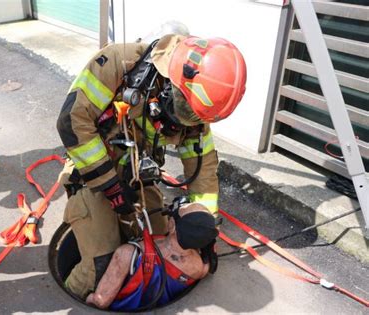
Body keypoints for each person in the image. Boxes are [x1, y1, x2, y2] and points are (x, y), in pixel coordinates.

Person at [56, 33, 246, 299]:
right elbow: (72, 122)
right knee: (101, 266)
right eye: (184, 109)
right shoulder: (117, 64)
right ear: (170, 79)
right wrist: (110, 187)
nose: (187, 121)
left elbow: (202, 174)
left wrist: (206, 232)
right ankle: (73, 295)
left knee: (163, 249)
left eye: (195, 117)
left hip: (138, 181)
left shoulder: (195, 113)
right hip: (93, 177)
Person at [86, 202, 218, 311]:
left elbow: (100, 301)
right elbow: (211, 260)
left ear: (171, 225)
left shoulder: (127, 253)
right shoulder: (199, 268)